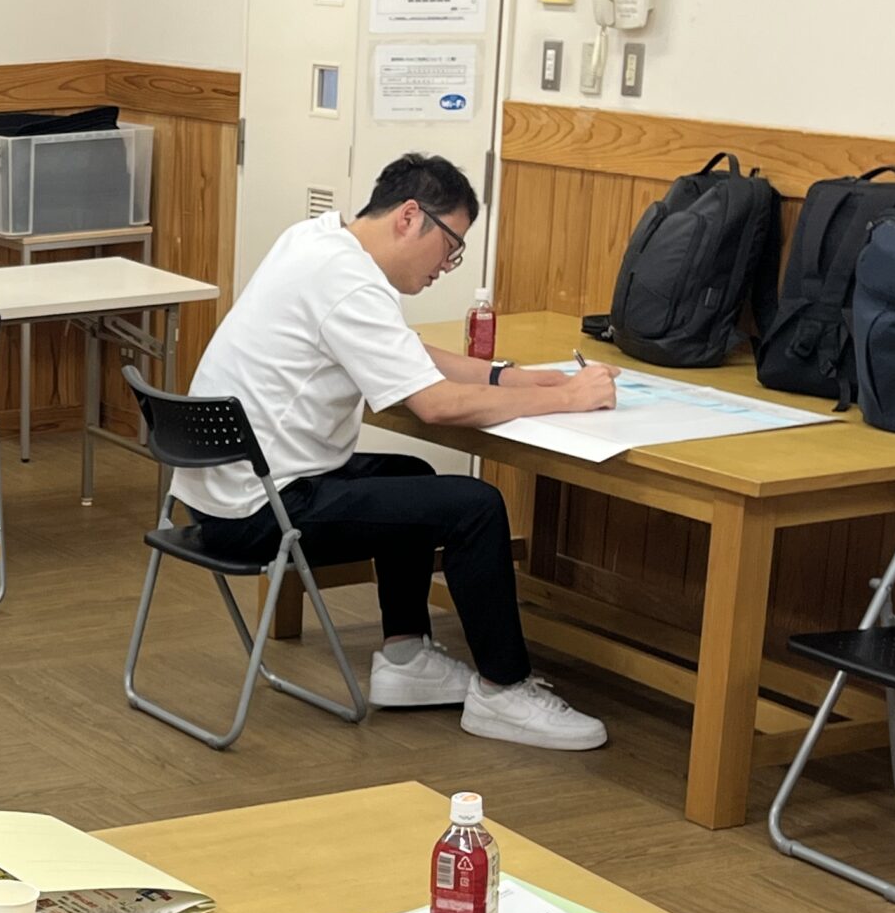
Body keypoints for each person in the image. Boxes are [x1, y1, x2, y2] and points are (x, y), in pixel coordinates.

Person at [175, 152, 616, 750]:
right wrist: (566, 399)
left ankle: (406, 658)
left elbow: (402, 350)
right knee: (475, 506)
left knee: (413, 475)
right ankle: (504, 692)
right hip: (260, 514)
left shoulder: (314, 241)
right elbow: (434, 404)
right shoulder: (349, 281)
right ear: (410, 216)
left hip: (221, 497)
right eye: (450, 246)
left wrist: (512, 378)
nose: (447, 266)